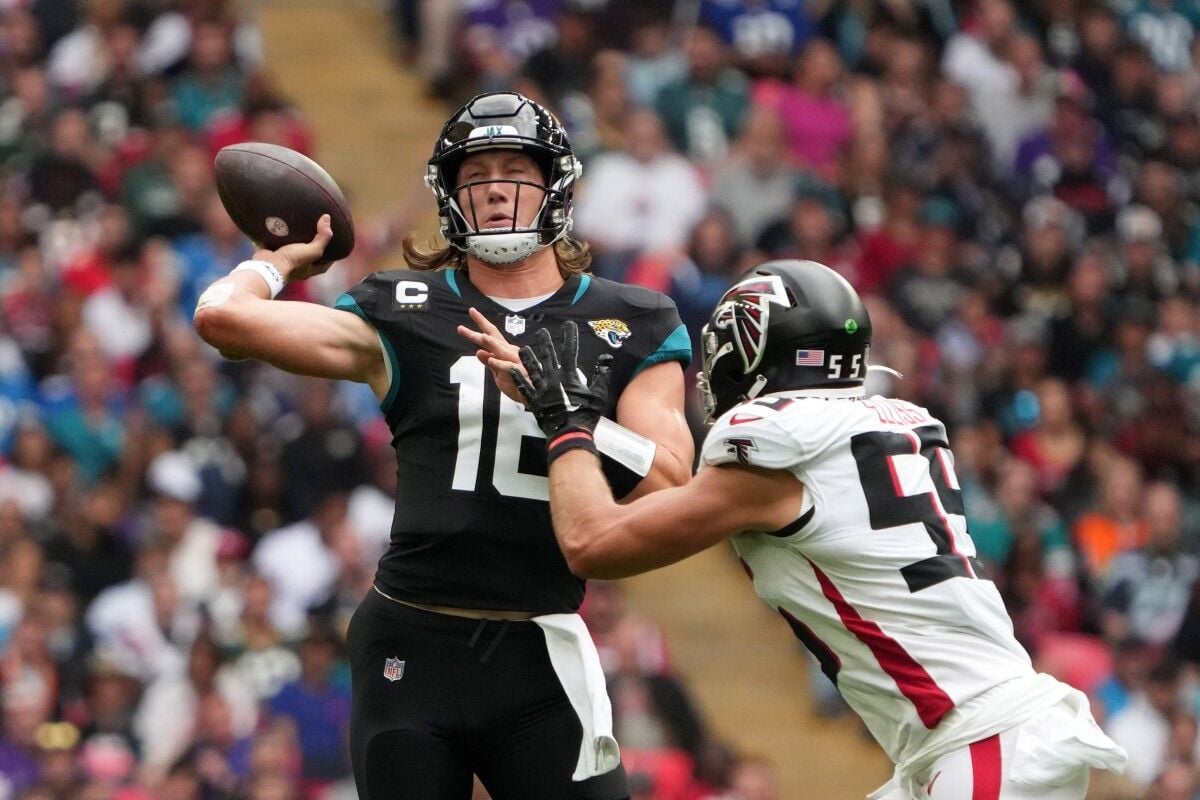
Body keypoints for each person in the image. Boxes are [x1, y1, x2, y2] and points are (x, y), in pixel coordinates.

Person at [192, 91, 694, 799]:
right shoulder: (406, 310)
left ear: (556, 184)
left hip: (540, 646)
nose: (493, 189)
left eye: (513, 168)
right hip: (410, 641)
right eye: (474, 173)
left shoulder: (632, 320)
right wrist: (276, 261)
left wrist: (560, 409)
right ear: (449, 192)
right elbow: (222, 318)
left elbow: (673, 486)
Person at [505, 259, 1127, 799]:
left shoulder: (776, 450)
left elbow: (593, 542)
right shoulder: (877, 425)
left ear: (750, 352)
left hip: (977, 741)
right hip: (980, 738)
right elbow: (679, 493)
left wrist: (567, 421)